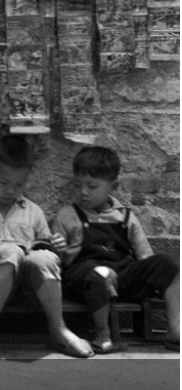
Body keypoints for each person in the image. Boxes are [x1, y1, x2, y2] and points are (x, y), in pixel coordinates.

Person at [0, 135, 94, 360]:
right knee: (9, 251)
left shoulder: (33, 211)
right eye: (3, 182)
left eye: (19, 184)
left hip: (29, 289)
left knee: (43, 258)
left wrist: (55, 247)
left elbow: (49, 253)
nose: (11, 190)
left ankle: (59, 328)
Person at [50, 146, 180, 353]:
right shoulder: (67, 215)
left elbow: (144, 256)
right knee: (100, 274)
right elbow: (57, 263)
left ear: (114, 186)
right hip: (85, 279)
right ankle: (103, 333)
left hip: (122, 278)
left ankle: (175, 329)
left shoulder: (126, 217)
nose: (83, 192)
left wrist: (152, 273)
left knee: (171, 264)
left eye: (92, 186)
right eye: (77, 185)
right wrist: (58, 248)